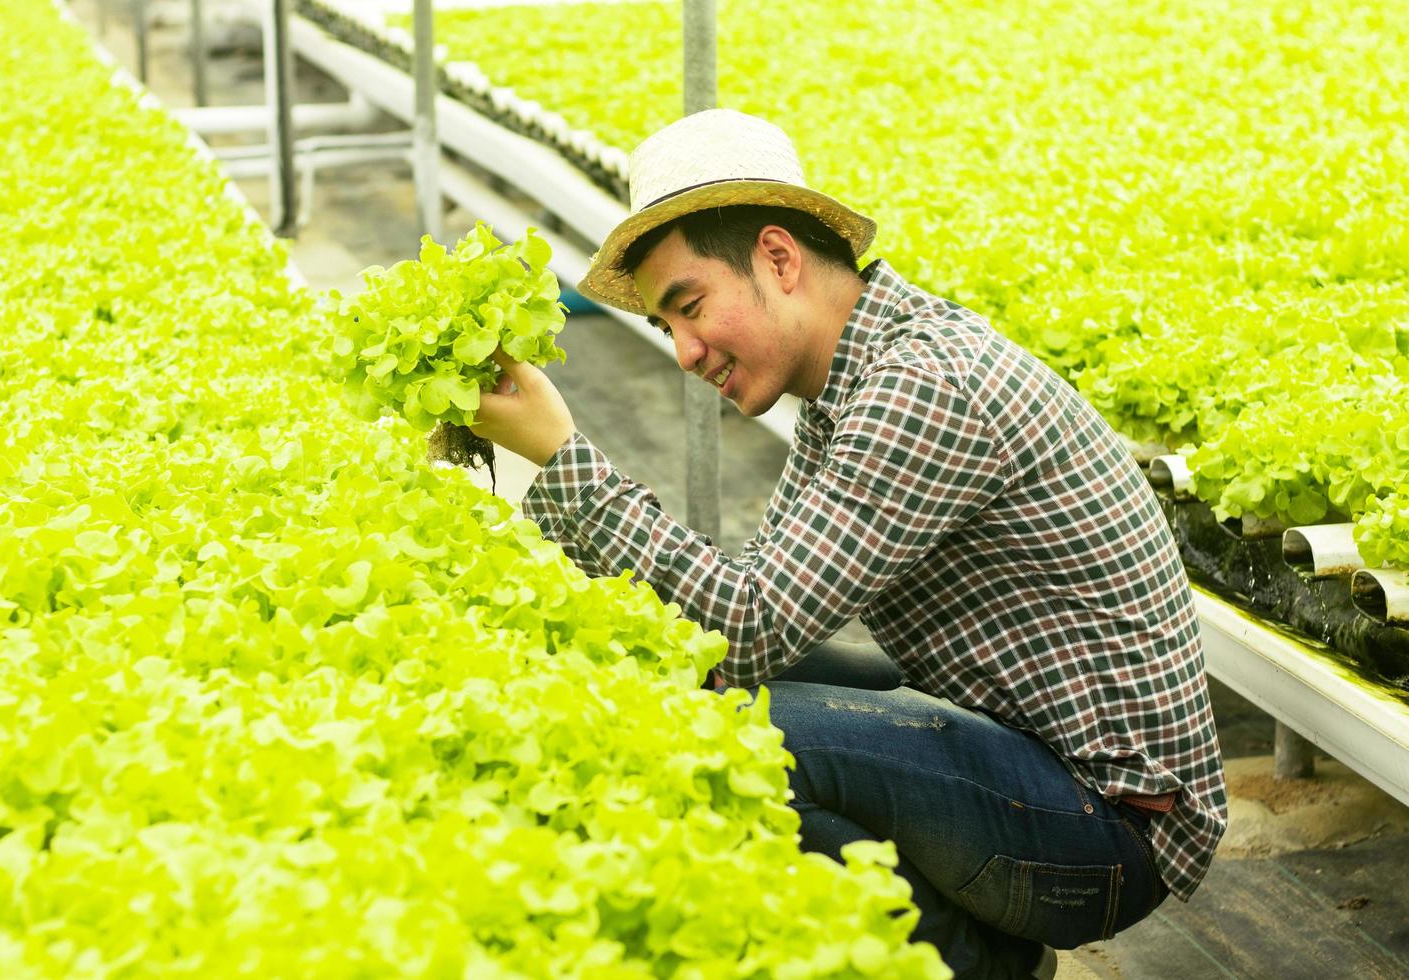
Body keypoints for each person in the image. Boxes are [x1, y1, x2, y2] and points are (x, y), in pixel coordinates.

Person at [471, 108, 1226, 979]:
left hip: (1109, 825)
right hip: (1020, 751)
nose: (682, 351)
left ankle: (979, 967)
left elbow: (747, 620)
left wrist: (563, 457)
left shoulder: (922, 386)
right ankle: (982, 953)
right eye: (665, 328)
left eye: (689, 308)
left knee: (730, 737)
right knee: (697, 680)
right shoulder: (851, 383)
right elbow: (748, 614)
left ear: (778, 259)